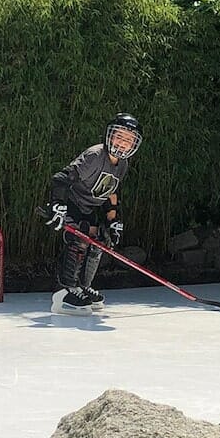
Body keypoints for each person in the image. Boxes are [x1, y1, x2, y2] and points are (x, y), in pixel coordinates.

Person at [43, 113, 141, 316]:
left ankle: (82, 287)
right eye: (119, 137)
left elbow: (110, 192)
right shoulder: (96, 156)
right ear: (110, 136)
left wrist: (114, 221)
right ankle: (64, 291)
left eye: (128, 140)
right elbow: (63, 178)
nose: (122, 143)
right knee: (80, 239)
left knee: (98, 242)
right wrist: (57, 205)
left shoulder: (122, 165)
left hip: (89, 207)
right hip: (72, 201)